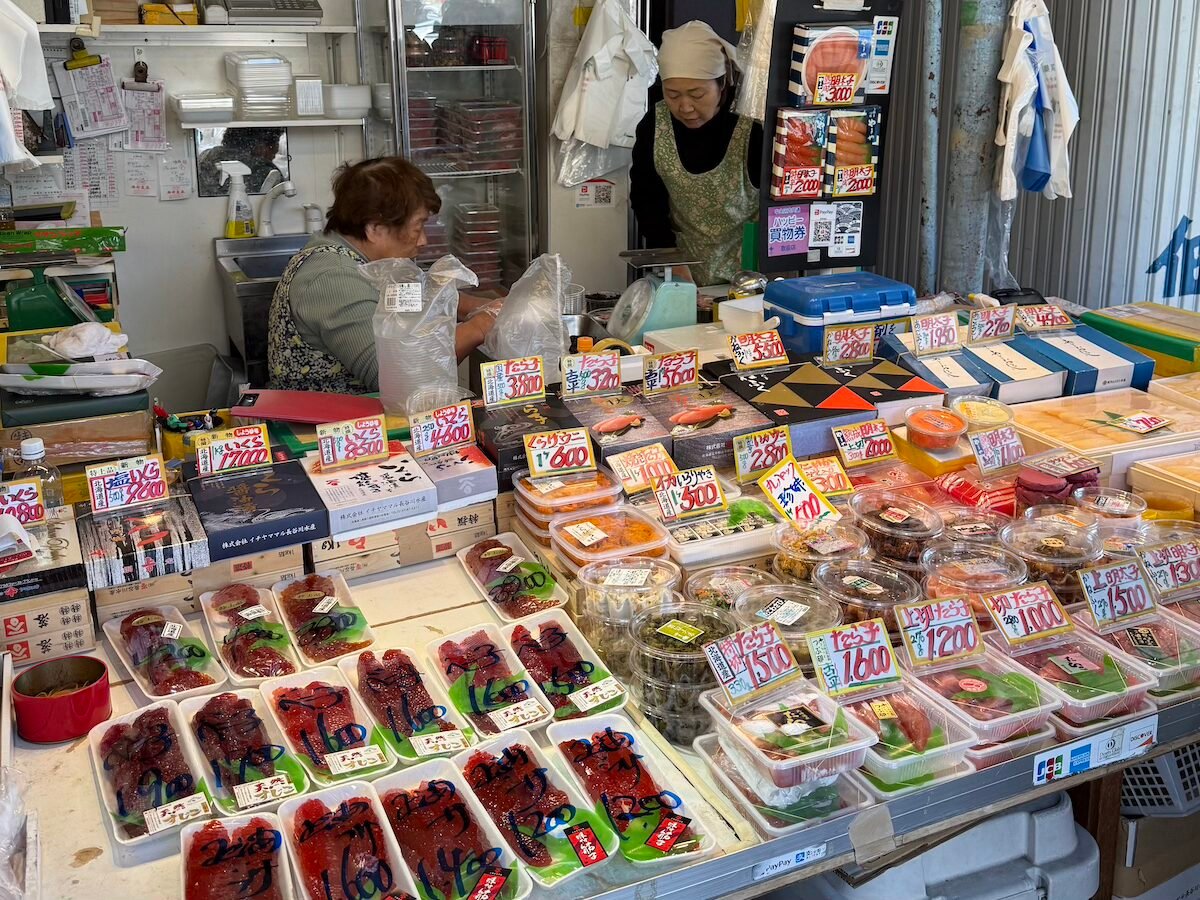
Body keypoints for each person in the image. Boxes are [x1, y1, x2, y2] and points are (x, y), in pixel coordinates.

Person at [268, 156, 498, 394]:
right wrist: (480, 327)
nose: (423, 241)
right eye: (418, 227)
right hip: (329, 428)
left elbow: (409, 294)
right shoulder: (333, 276)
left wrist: (481, 307)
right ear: (375, 229)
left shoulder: (355, 257)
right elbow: (395, 374)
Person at [630, 20, 762, 287]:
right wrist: (670, 258)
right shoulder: (655, 124)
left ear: (722, 83)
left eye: (696, 93)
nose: (685, 106)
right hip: (680, 272)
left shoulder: (752, 126)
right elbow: (646, 199)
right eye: (673, 94)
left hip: (749, 276)